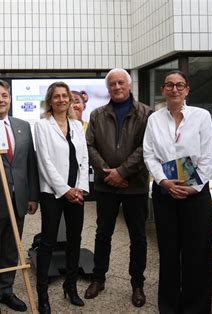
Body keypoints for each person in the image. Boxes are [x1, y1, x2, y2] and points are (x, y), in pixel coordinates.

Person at [143, 70, 212, 313]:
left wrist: (193, 187)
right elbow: (149, 154)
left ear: (187, 90)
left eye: (180, 85)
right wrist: (164, 182)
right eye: (169, 85)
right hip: (165, 193)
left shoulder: (201, 116)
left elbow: (207, 155)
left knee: (197, 253)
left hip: (195, 194)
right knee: (169, 252)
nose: (174, 89)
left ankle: (196, 308)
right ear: (163, 89)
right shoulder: (154, 119)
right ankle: (170, 306)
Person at [85, 68, 152, 307]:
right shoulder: (97, 115)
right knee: (103, 234)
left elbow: (146, 148)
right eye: (112, 84)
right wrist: (108, 173)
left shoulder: (147, 114)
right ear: (108, 88)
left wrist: (122, 172)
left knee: (138, 237)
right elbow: (90, 146)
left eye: (121, 82)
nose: (116, 87)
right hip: (105, 187)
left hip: (135, 186)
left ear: (129, 85)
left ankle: (137, 284)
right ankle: (98, 278)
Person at [0, 78, 39, 314]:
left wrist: (33, 196)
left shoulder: (23, 125)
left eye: (4, 95)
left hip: (19, 200)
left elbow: (29, 163)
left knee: (12, 249)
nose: (0, 100)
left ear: (10, 98)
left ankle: (6, 290)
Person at [34, 82, 89, 313]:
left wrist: (80, 188)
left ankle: (71, 286)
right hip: (53, 193)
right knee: (47, 242)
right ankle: (43, 294)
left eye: (64, 96)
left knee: (74, 240)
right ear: (50, 100)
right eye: (56, 96)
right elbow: (45, 162)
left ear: (70, 99)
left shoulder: (77, 125)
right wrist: (65, 189)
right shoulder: (42, 125)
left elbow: (84, 159)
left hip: (76, 192)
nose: (61, 100)